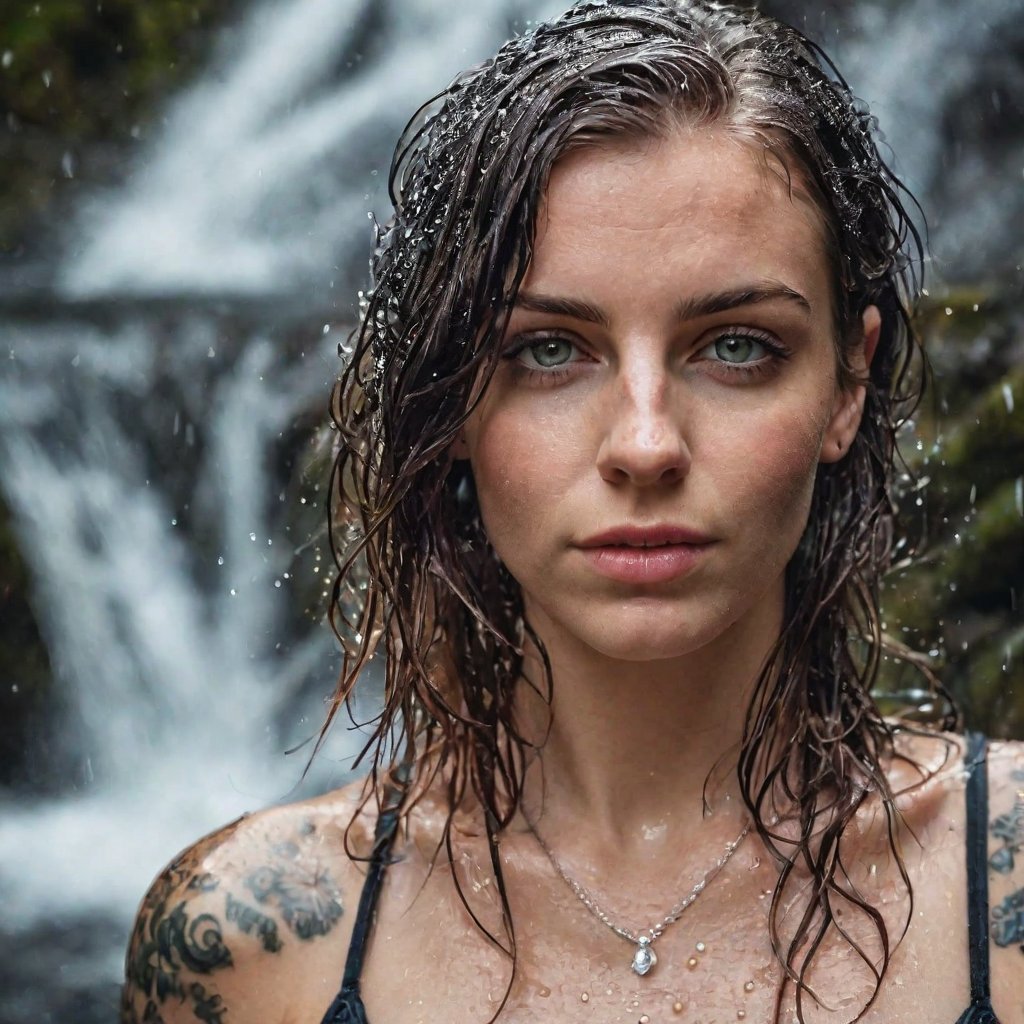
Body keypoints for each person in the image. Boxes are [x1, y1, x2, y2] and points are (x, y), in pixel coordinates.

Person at [121, 2, 1024, 1022]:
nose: (644, 445)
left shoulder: (1004, 883)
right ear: (451, 396)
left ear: (847, 384)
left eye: (735, 346)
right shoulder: (253, 940)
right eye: (548, 350)